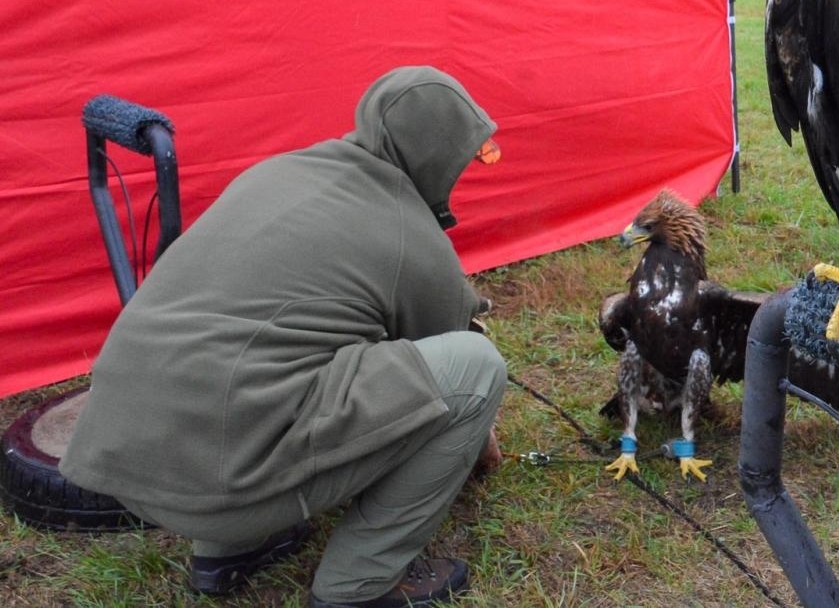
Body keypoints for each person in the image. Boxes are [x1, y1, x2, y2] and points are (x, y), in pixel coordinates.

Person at [62, 66, 507, 607]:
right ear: (437, 154)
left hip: (122, 457)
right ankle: (359, 586)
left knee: (262, 356)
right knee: (477, 366)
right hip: (215, 477)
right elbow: (447, 384)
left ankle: (226, 550)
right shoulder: (409, 234)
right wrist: (477, 448)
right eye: (473, 155)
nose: (471, 167)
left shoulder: (280, 172)